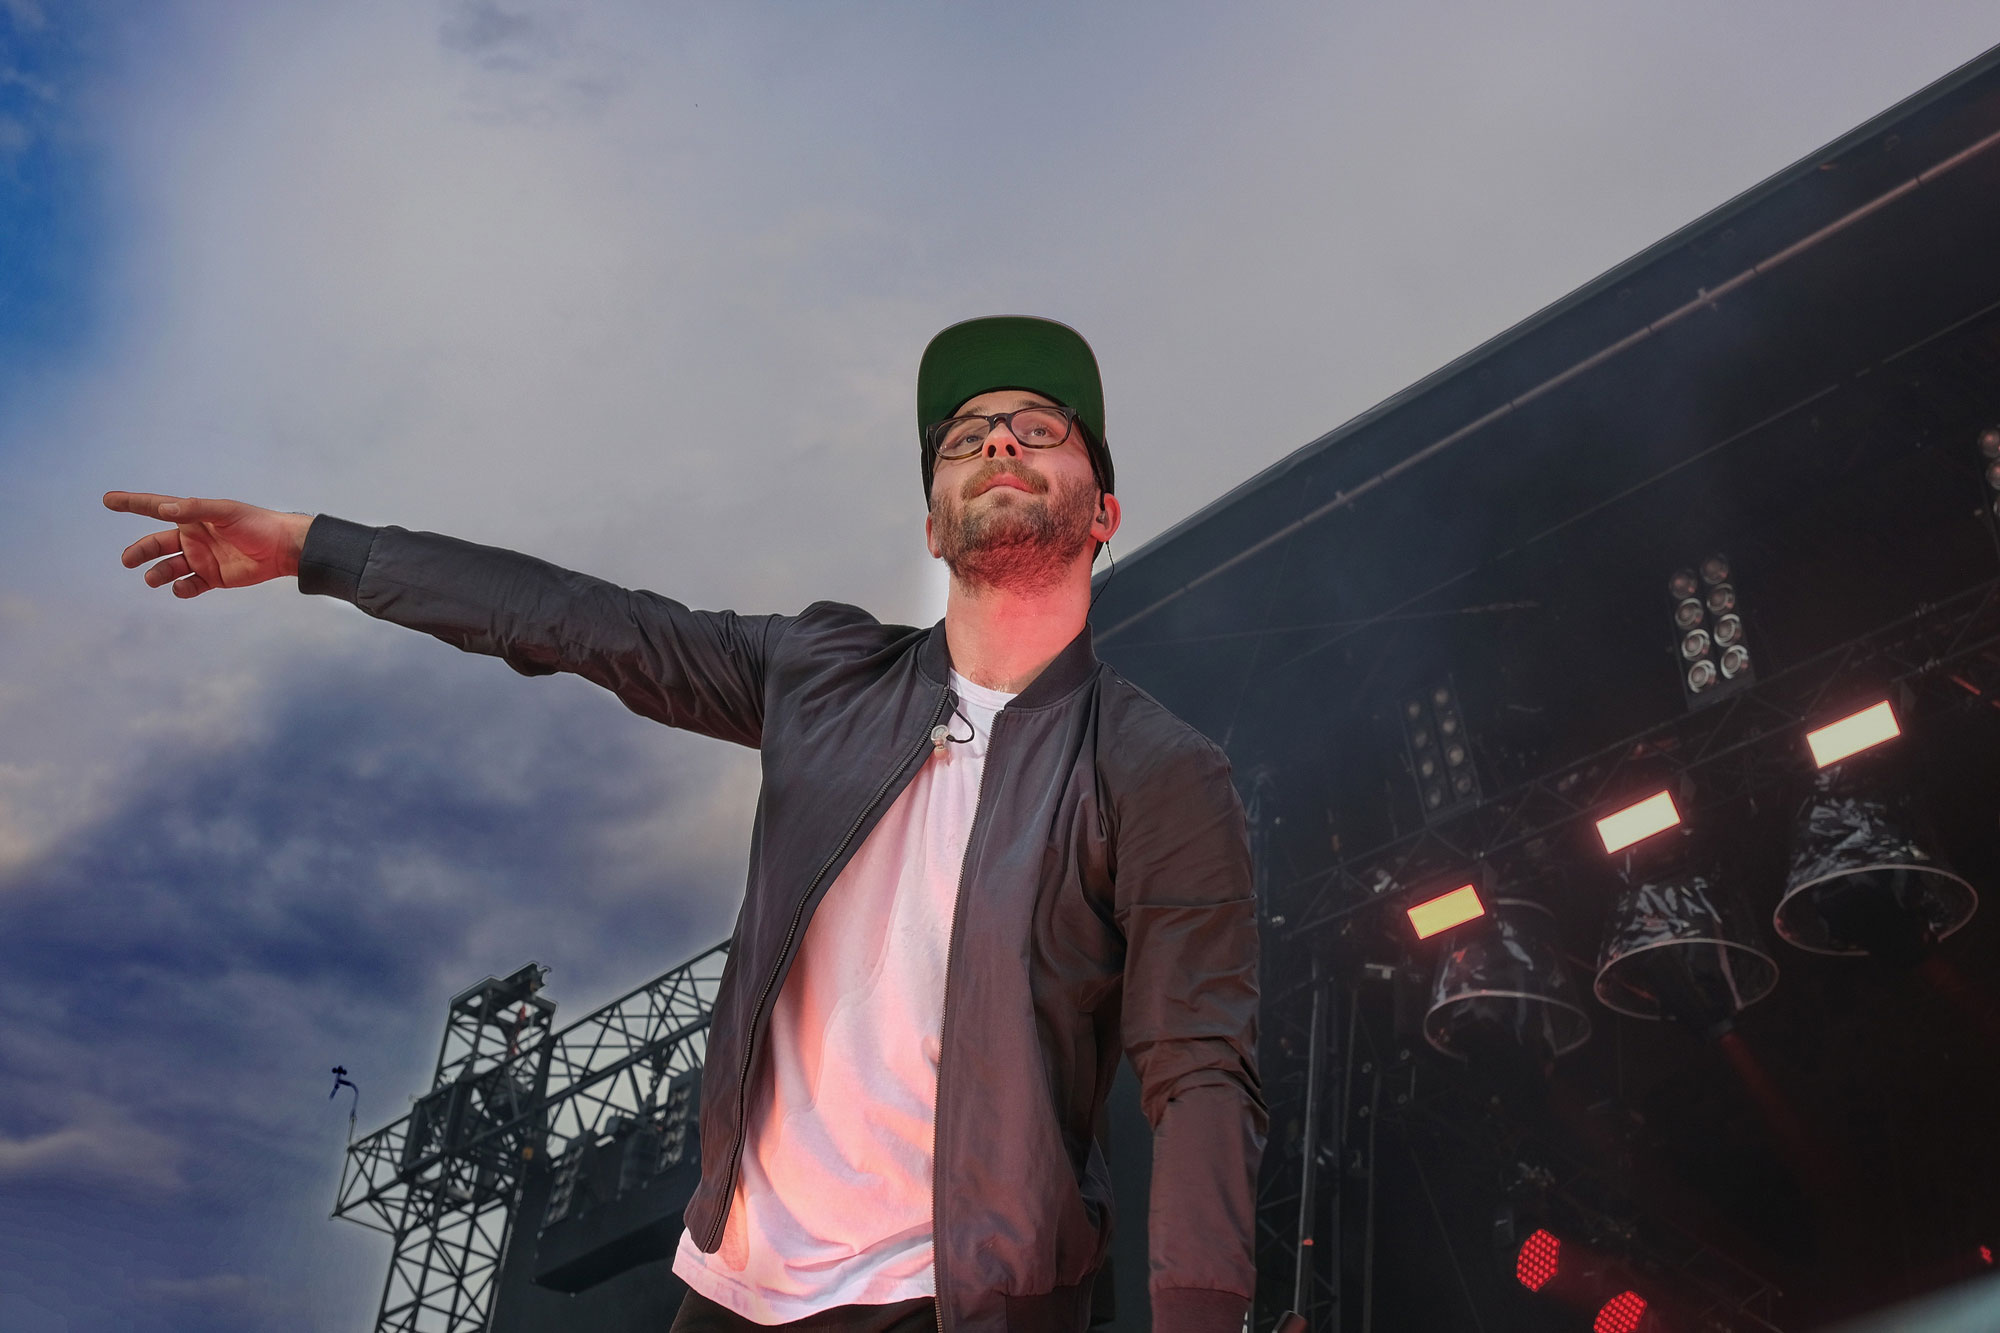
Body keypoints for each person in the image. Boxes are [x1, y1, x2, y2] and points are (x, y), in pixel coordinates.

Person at [105, 315, 1264, 1333]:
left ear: (1102, 510)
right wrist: (318, 548)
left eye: (1037, 429)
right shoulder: (821, 674)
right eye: (962, 438)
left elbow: (1200, 1074)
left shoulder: (1153, 769)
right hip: (737, 1289)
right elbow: (581, 621)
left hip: (972, 1298)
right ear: (930, 525)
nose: (996, 443)